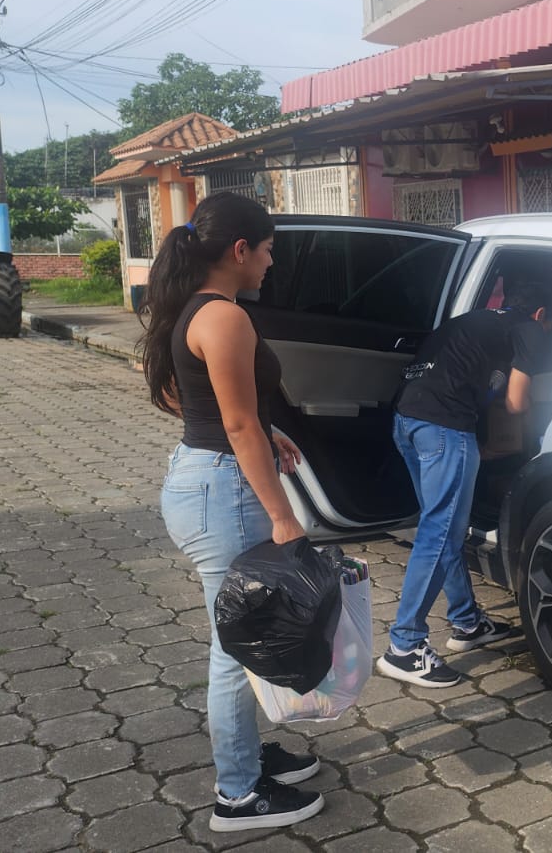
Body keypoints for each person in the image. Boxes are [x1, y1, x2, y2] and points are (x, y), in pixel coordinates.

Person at [141, 192, 325, 833]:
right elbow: (238, 423)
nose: (272, 263)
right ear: (240, 250)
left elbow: (203, 403)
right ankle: (238, 795)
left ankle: (245, 754)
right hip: (225, 491)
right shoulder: (224, 317)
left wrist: (265, 432)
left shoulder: (192, 309)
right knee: (237, 648)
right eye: (268, 250)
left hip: (203, 477)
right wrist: (283, 516)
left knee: (242, 638)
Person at [375, 277, 552, 688]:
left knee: (440, 528)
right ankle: (404, 646)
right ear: (541, 314)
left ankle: (467, 623)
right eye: (551, 325)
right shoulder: (530, 328)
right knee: (440, 533)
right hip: (444, 427)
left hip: (406, 420)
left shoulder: (475, 320)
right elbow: (516, 401)